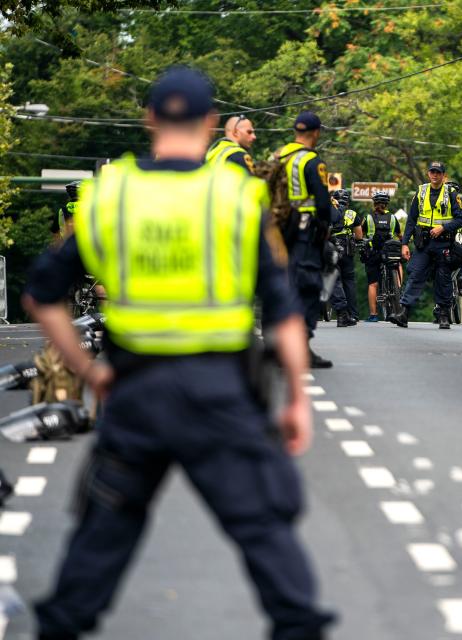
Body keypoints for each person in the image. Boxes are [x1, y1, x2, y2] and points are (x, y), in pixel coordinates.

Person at [22, 66, 335, 640]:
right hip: (219, 393)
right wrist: (296, 398)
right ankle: (298, 627)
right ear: (211, 123)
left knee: (105, 528)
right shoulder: (235, 197)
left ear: (148, 120)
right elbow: (284, 310)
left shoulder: (111, 192)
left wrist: (91, 370)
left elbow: (41, 296)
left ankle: (59, 628)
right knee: (262, 524)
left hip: (135, 393)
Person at [276, 111, 334, 368]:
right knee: (308, 286)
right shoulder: (311, 161)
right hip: (304, 233)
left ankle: (278, 344)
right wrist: (325, 228)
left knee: (282, 285)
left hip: (277, 231)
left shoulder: (278, 156)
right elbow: (322, 205)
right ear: (316, 132)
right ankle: (301, 347)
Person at [389, 162, 462, 329]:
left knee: (443, 277)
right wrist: (404, 244)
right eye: (432, 172)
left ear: (443, 175)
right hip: (424, 243)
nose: (435, 175)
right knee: (415, 274)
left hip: (444, 242)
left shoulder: (451, 193)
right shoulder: (421, 191)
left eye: (438, 172)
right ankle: (404, 313)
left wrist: (443, 227)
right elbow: (411, 219)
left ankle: (444, 314)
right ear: (428, 173)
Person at [361, 191, 403, 322]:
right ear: (387, 204)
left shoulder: (368, 218)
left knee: (373, 284)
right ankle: (398, 287)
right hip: (389, 251)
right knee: (398, 263)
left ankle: (373, 315)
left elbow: (360, 235)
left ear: (374, 204)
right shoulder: (392, 218)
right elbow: (400, 235)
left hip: (374, 253)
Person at [329, 189, 363, 326]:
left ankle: (332, 310)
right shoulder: (352, 214)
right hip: (347, 250)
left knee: (332, 278)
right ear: (348, 202)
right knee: (348, 280)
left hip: (330, 248)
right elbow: (359, 236)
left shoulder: (329, 211)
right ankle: (353, 314)